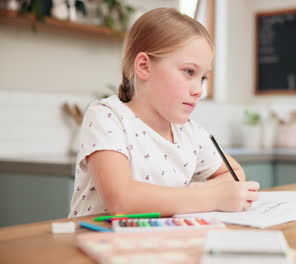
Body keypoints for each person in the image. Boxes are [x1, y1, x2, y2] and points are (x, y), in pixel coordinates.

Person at [69, 8, 259, 217]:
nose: (198, 90)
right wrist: (210, 197)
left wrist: (201, 193)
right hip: (97, 243)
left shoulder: (190, 133)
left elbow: (234, 174)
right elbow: (120, 200)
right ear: (144, 66)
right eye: (189, 72)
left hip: (160, 242)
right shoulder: (107, 117)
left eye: (203, 78)